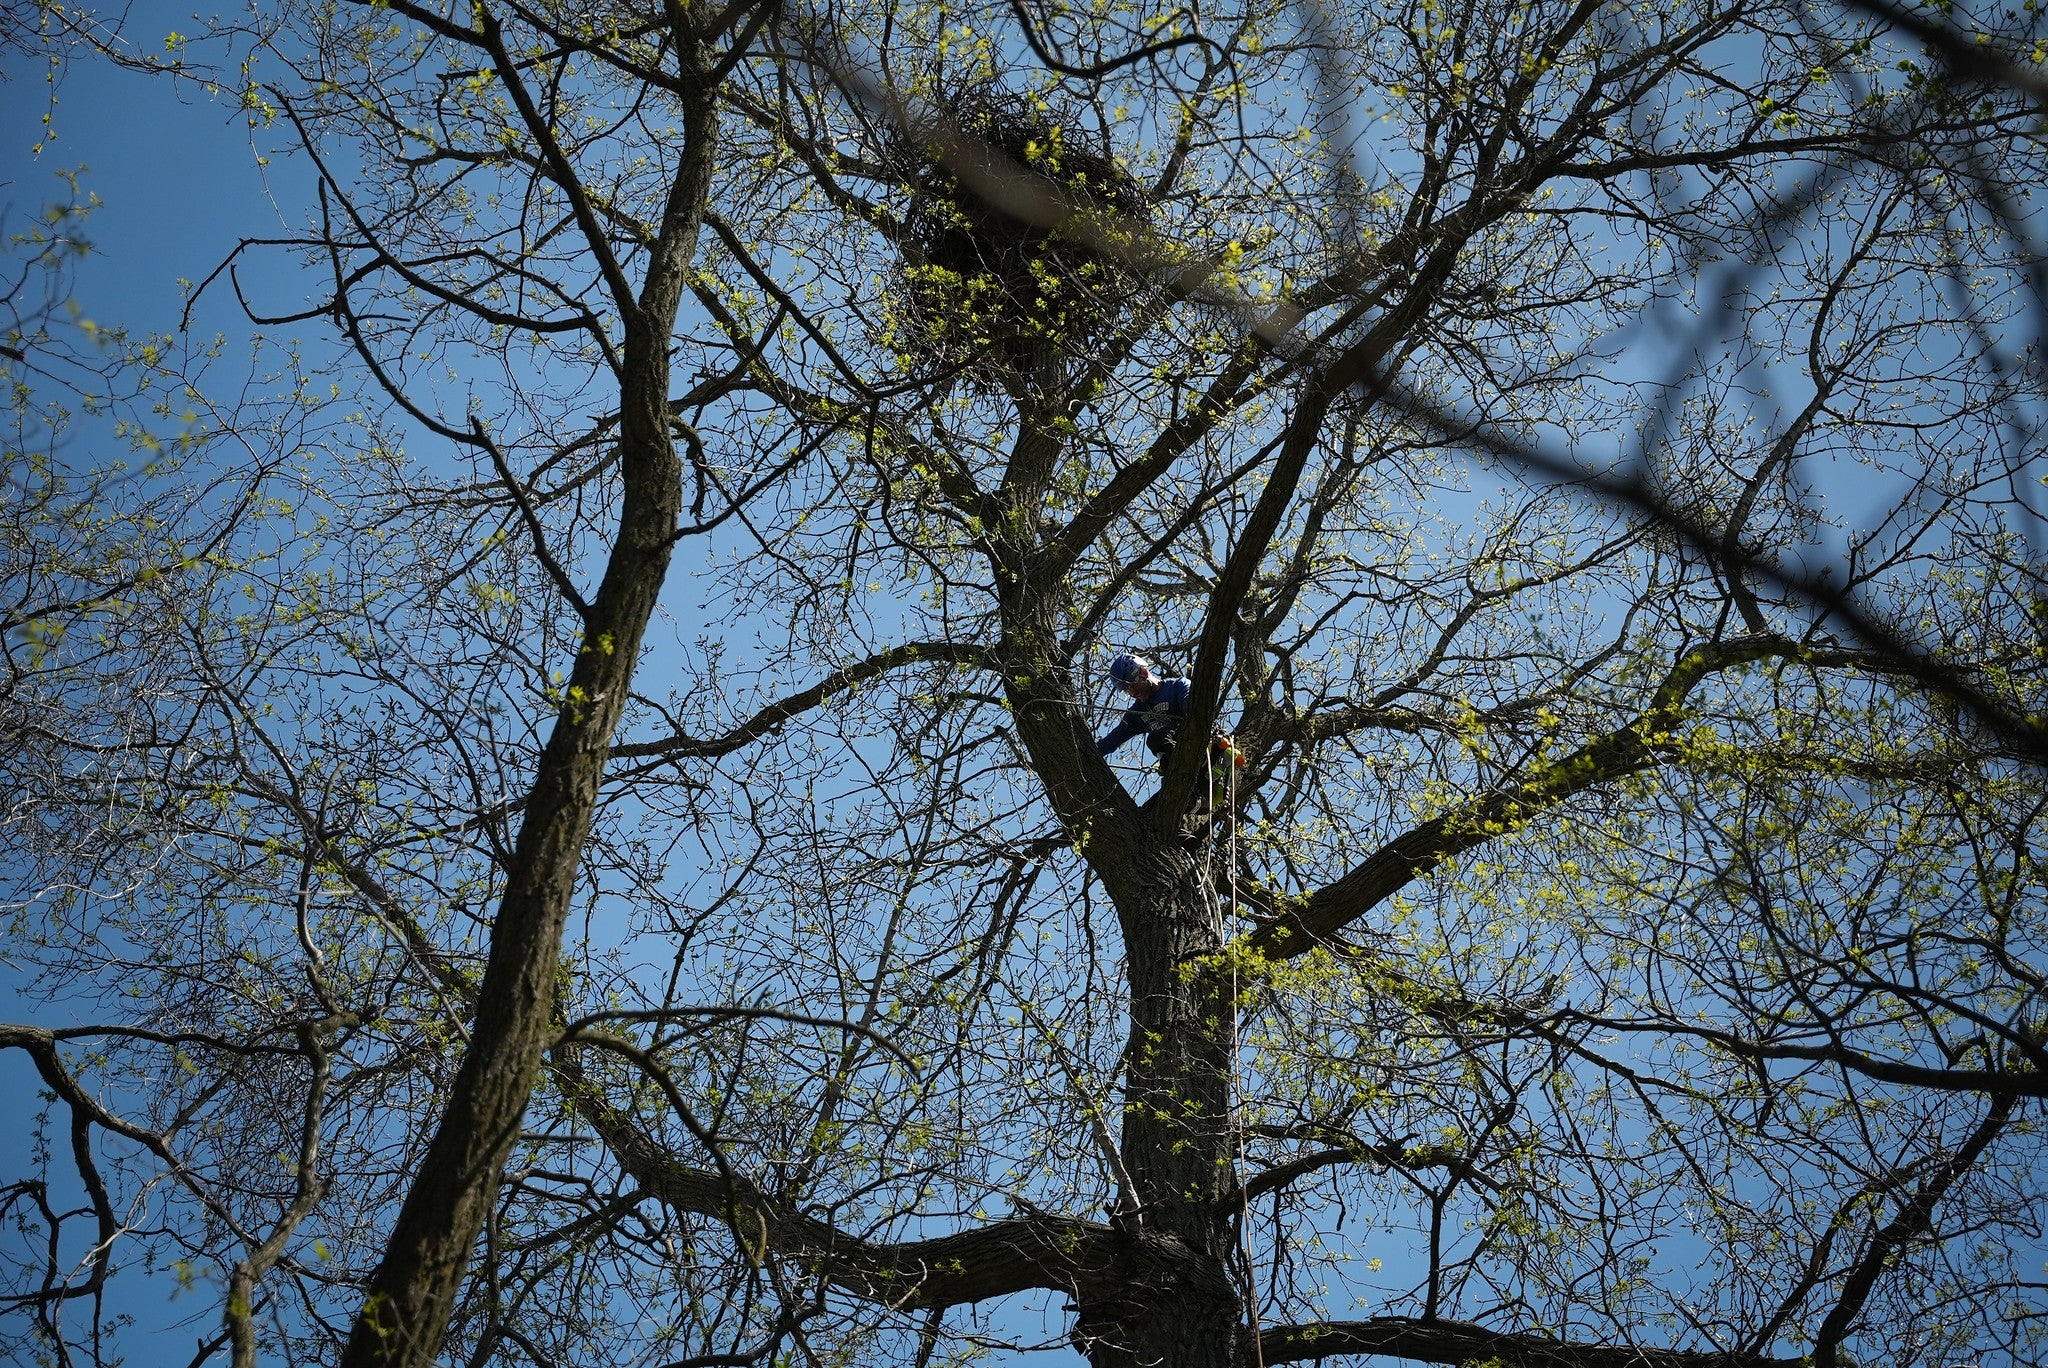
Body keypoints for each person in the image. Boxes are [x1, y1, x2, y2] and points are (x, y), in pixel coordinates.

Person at [1096, 653, 1191, 761]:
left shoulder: (1177, 687)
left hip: (1201, 744)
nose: (1133, 692)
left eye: (1133, 685)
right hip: (1180, 760)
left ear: (1144, 672)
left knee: (1156, 737)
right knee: (1155, 740)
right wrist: (1091, 753)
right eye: (1128, 690)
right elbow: (1112, 740)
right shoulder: (1137, 713)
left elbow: (1193, 709)